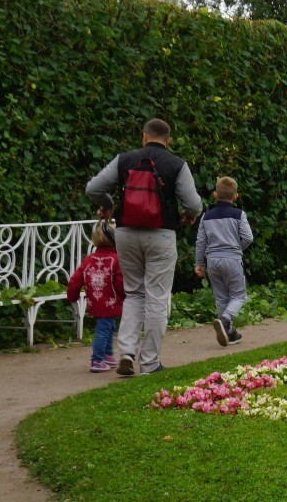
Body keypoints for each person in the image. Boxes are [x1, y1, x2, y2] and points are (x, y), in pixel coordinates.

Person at [85, 117, 202, 377]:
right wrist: (187, 214)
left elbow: (93, 188)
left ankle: (126, 352)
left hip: (126, 233)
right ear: (168, 140)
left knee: (134, 292)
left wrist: (107, 204)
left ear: (144, 136)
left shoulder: (125, 159)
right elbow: (194, 204)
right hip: (161, 235)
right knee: (157, 296)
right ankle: (149, 362)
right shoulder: (176, 164)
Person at [194, 176, 254, 347]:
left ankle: (229, 333)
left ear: (215, 195)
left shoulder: (206, 216)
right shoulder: (238, 214)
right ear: (236, 196)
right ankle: (226, 321)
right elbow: (248, 238)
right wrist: (237, 248)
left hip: (212, 260)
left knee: (221, 298)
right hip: (232, 259)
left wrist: (198, 263)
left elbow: (201, 241)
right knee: (239, 295)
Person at [65, 220, 124, 373]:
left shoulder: (89, 259)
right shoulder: (115, 260)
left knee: (108, 326)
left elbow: (75, 280)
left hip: (94, 300)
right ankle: (97, 360)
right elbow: (120, 282)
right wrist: (126, 295)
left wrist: (73, 296)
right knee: (103, 329)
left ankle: (107, 354)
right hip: (110, 301)